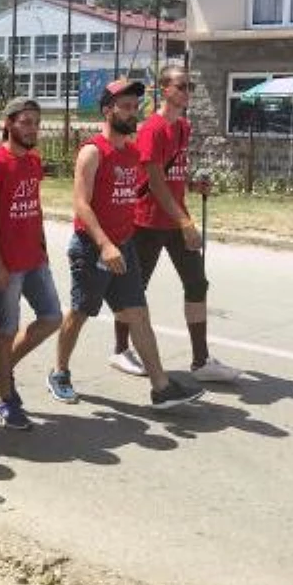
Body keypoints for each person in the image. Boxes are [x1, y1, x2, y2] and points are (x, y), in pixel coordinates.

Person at [50, 78, 204, 410]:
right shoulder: (92, 151)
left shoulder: (133, 152)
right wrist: (105, 244)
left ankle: (161, 387)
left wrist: (191, 184)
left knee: (138, 313)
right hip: (93, 247)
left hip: (125, 245)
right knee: (79, 312)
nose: (133, 112)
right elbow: (81, 204)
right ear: (108, 110)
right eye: (125, 107)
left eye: (136, 107)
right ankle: (59, 371)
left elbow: (154, 182)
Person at [110, 66, 243, 383]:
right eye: (181, 86)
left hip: (175, 218)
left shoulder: (183, 127)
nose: (187, 92)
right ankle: (119, 350)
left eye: (190, 86)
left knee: (197, 284)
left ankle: (201, 360)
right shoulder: (152, 129)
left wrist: (194, 185)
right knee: (133, 289)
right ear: (164, 89)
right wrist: (186, 221)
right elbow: (155, 182)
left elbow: (171, 176)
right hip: (147, 222)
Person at [0, 97, 62, 430]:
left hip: (34, 258)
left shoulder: (33, 161)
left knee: (52, 317)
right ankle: (5, 400)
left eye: (36, 123)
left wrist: (42, 246)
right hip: (7, 264)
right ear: (9, 124)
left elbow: (35, 208)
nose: (32, 128)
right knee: (7, 330)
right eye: (26, 122)